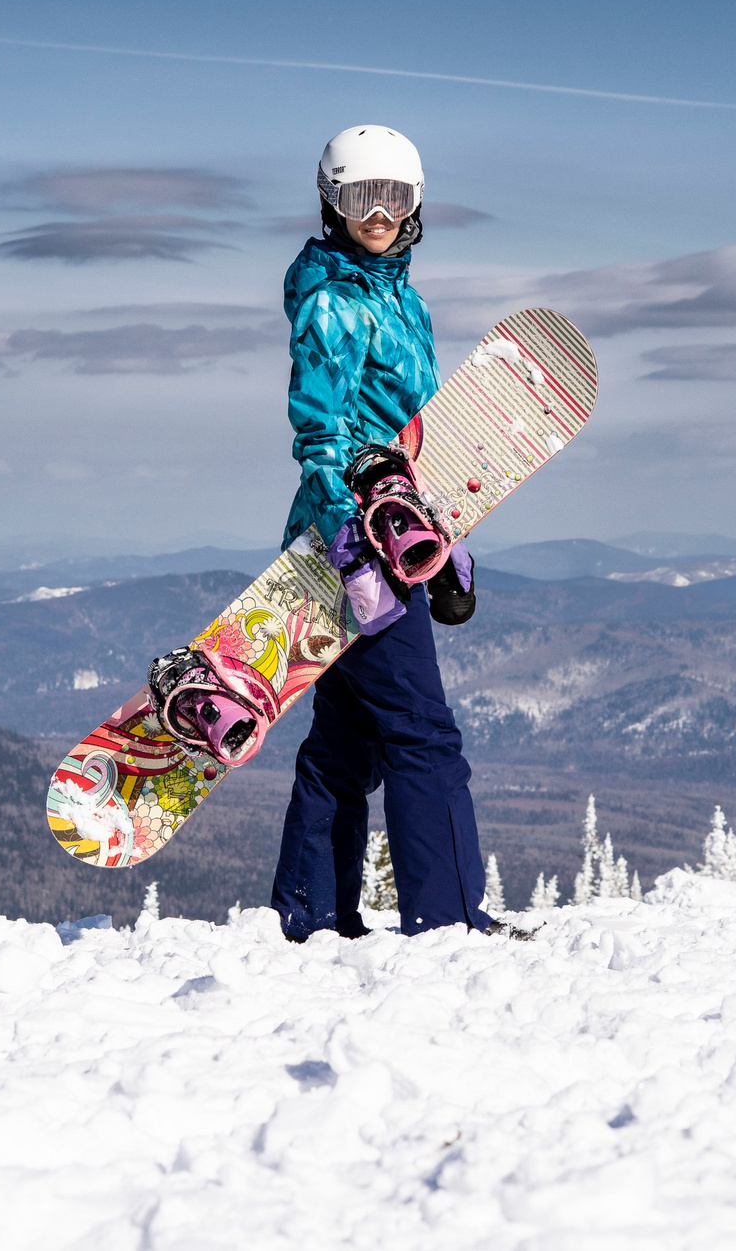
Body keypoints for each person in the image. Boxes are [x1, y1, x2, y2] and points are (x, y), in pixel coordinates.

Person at [268, 125, 496, 941]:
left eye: (394, 197)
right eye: (362, 196)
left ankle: (310, 915)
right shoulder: (332, 301)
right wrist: (349, 544)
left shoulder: (404, 300)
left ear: (416, 205)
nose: (379, 212)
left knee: (346, 744)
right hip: (355, 547)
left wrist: (448, 533)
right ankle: (449, 920)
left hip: (399, 535)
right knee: (422, 733)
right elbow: (320, 435)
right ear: (332, 199)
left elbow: (419, 435)